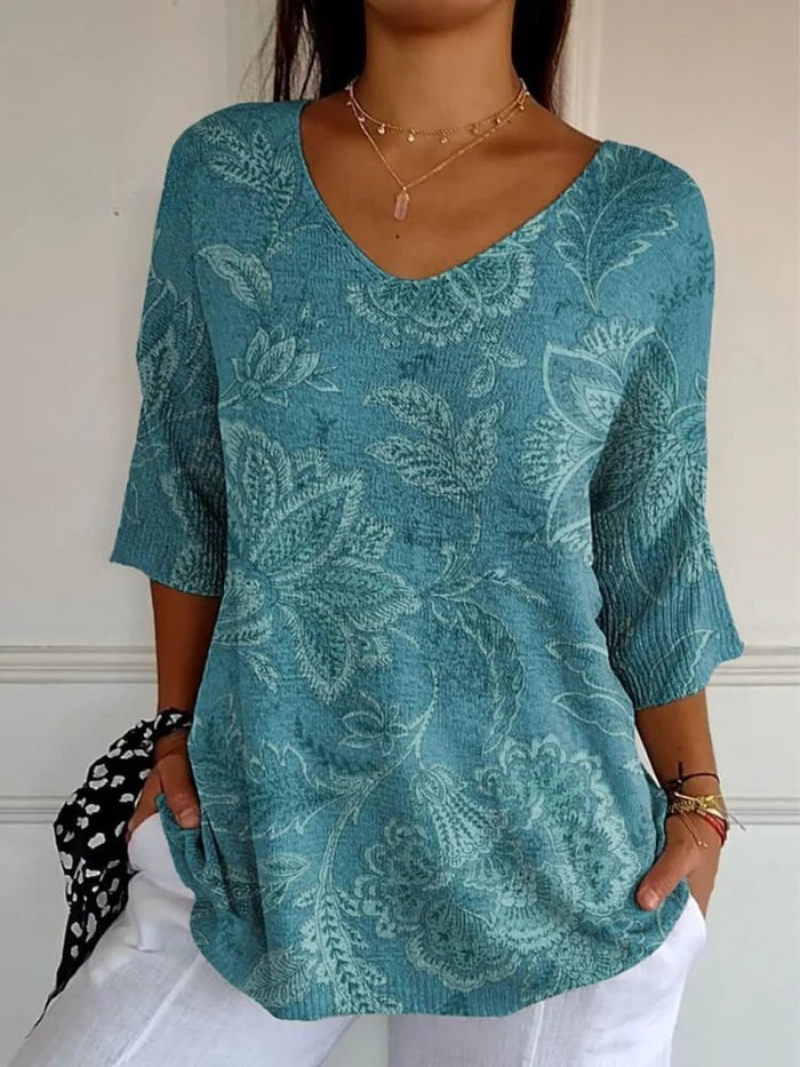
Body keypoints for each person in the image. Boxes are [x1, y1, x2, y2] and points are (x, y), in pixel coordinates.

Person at [11, 0, 746, 1064]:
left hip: (559, 878)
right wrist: (174, 727)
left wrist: (699, 802)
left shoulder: (644, 217)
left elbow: (653, 537)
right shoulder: (224, 176)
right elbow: (185, 481)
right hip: (255, 847)